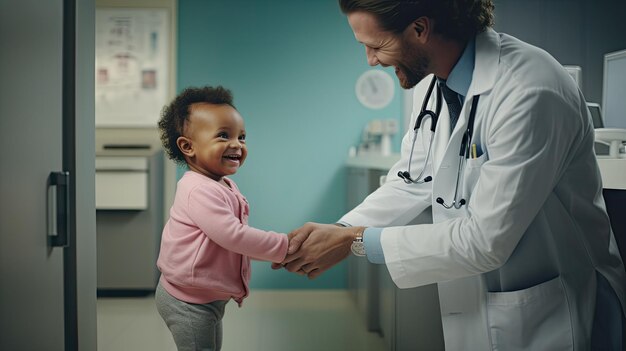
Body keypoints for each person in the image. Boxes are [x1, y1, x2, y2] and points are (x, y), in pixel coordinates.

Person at [276, 0, 626, 349]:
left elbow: (485, 241)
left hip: (561, 307)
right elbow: (412, 181)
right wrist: (338, 232)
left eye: (377, 45)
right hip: (488, 302)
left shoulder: (529, 89)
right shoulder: (432, 87)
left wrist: (357, 241)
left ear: (420, 29)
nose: (371, 60)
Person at [155, 86, 289, 351]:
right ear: (188, 146)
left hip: (206, 298)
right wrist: (284, 247)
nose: (237, 145)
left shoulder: (221, 183)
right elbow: (233, 235)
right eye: (223, 135)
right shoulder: (197, 189)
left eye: (242, 137)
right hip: (188, 302)